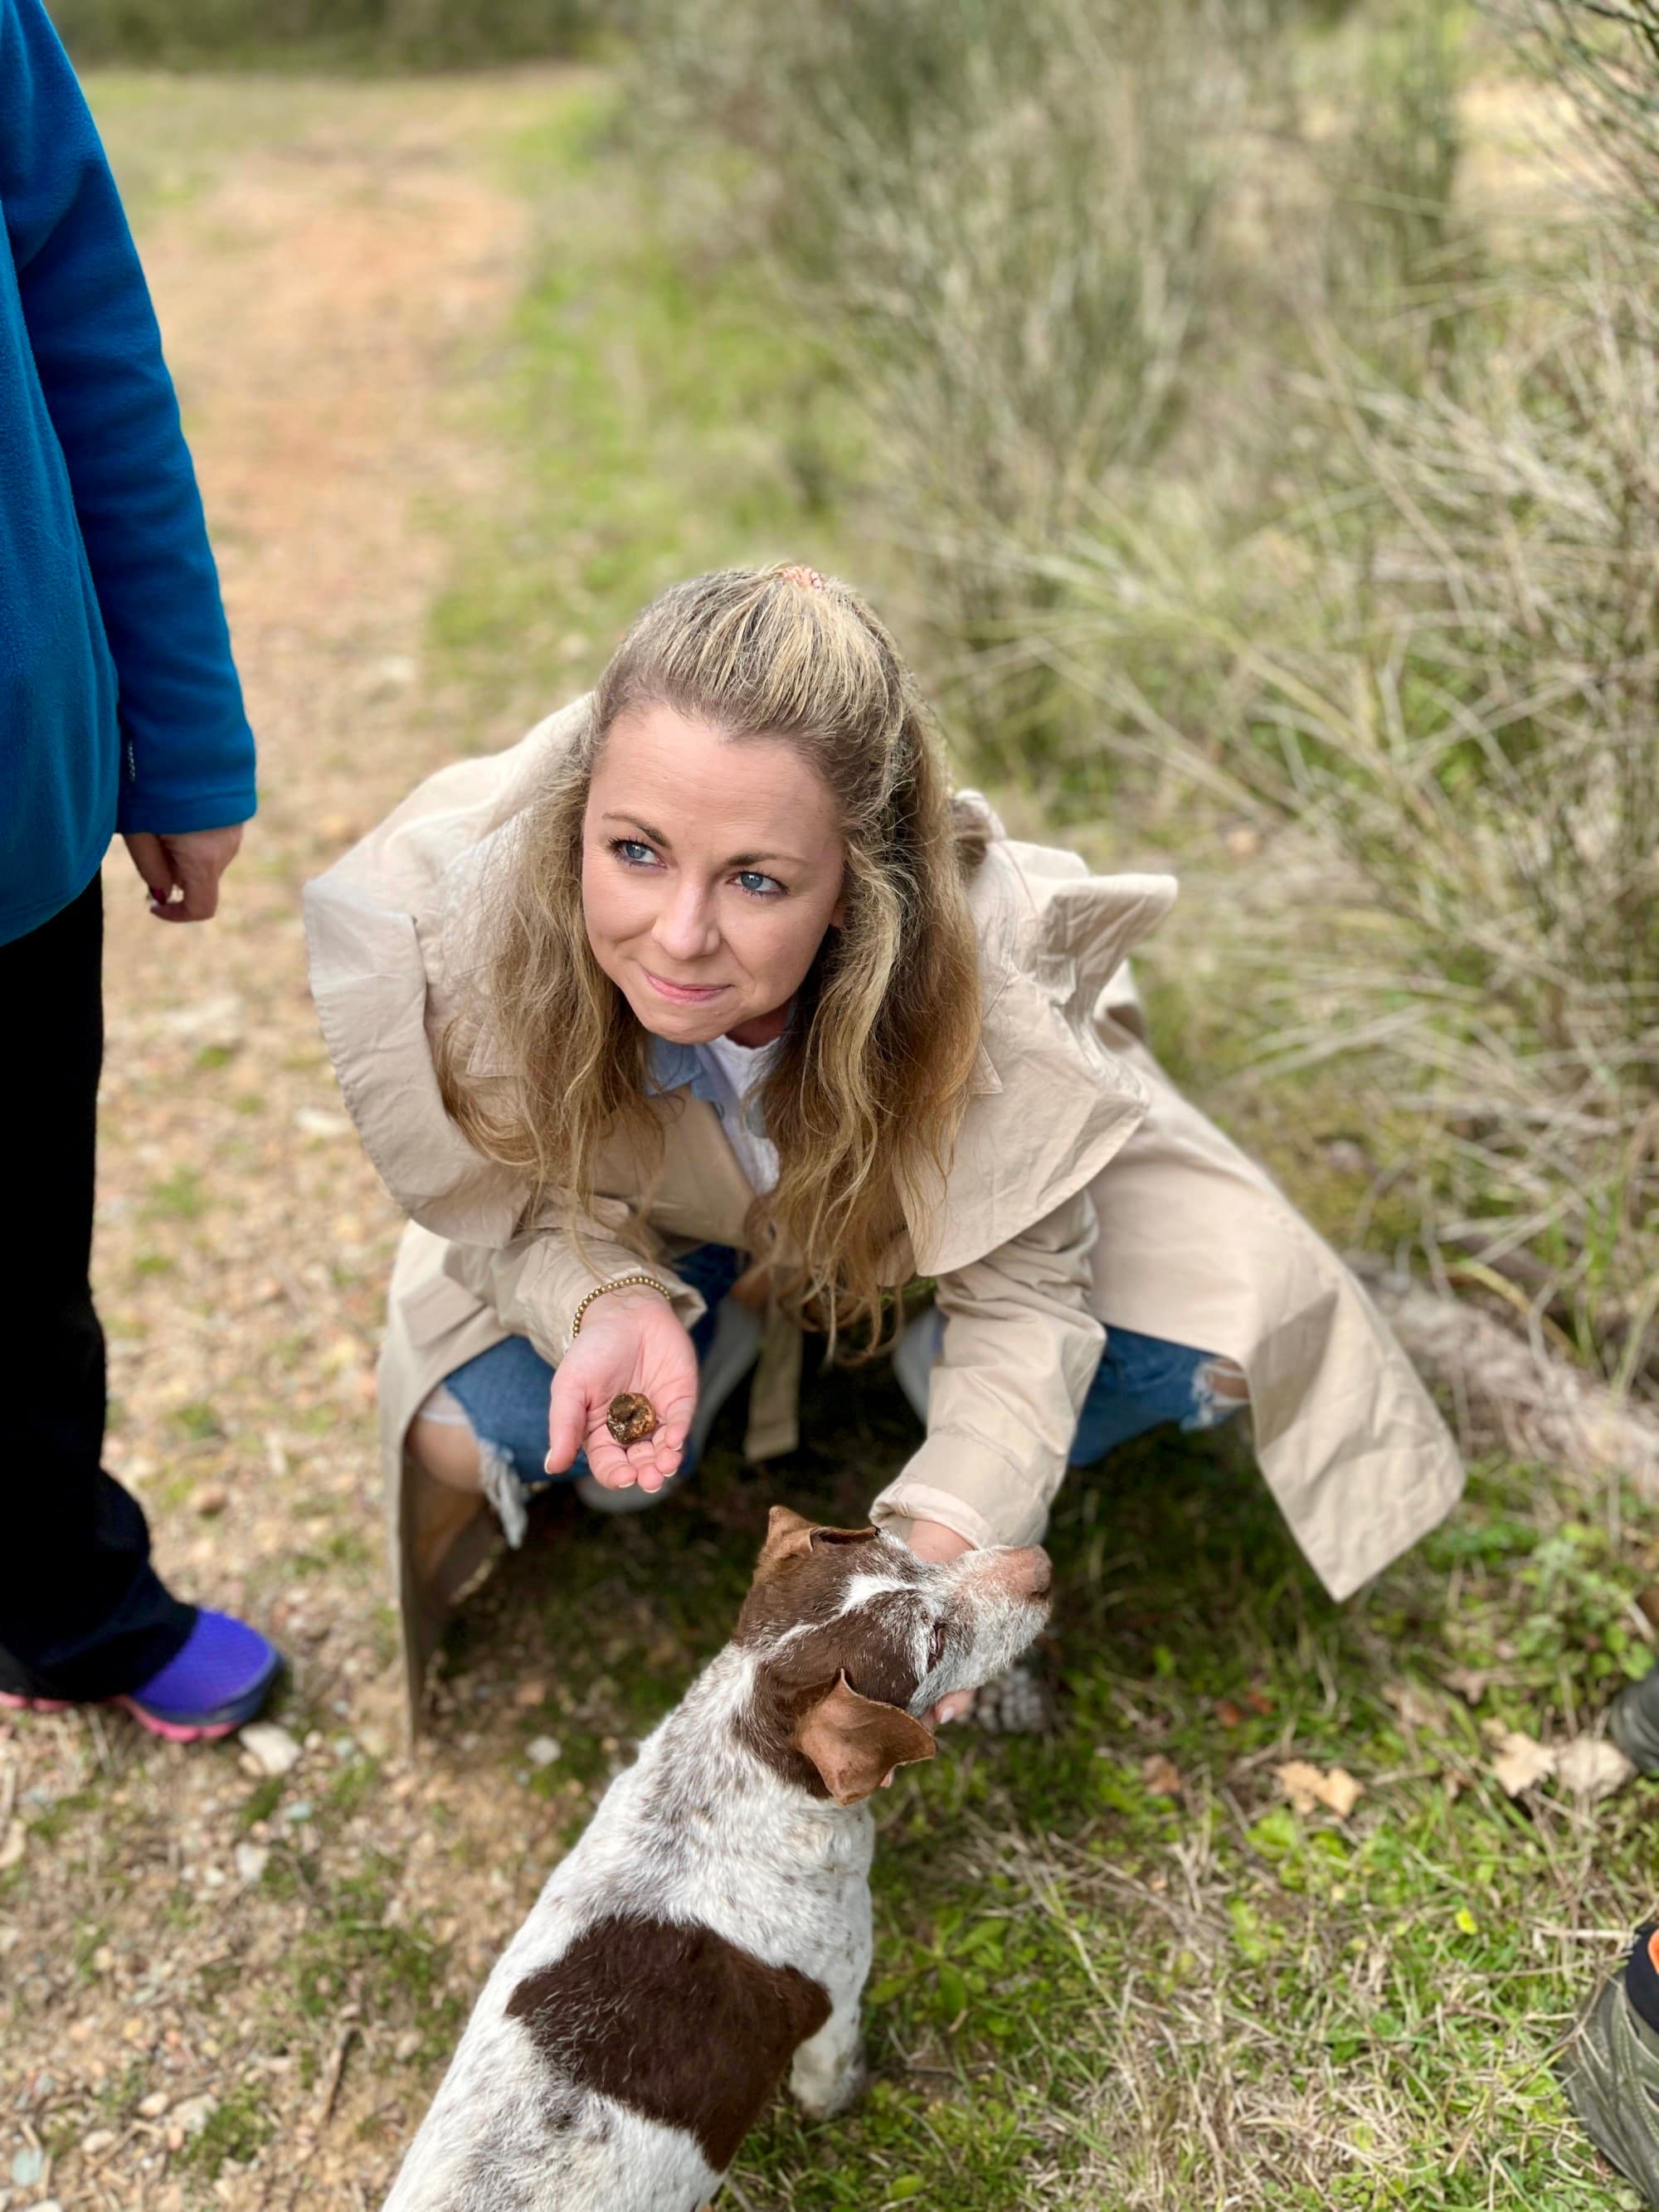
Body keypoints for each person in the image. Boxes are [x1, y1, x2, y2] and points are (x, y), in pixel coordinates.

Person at [305, 562, 1462, 1733]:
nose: (680, 935)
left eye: (758, 878)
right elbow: (507, 1204)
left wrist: (942, 1541)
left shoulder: (973, 984)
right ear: (581, 820)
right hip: (668, 1217)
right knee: (459, 1434)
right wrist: (604, 1299)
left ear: (857, 889)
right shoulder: (500, 931)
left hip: (930, 1224)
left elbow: (1025, 1304)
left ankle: (921, 1367)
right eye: (637, 851)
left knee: (1216, 1339)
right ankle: (709, 1324)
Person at [0, 0, 281, 1740]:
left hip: (7, 828)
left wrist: (175, 742)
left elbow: (96, 349)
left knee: (18, 1266)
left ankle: (62, 1603)